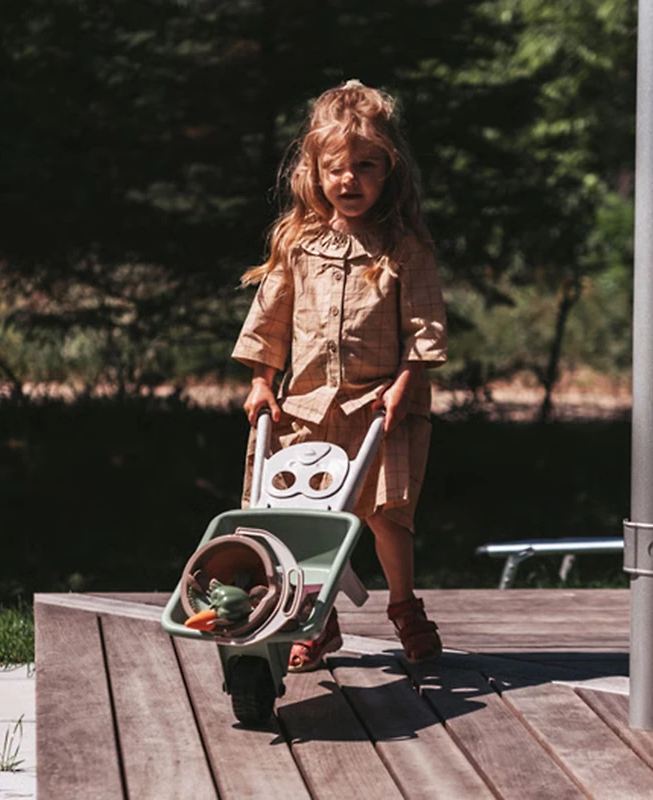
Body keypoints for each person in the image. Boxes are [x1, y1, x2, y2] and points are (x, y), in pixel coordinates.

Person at [232, 79, 447, 672]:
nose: (350, 180)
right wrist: (259, 381)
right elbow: (269, 322)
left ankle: (405, 609)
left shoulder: (404, 248)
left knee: (384, 514)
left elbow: (423, 324)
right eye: (337, 169)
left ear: (389, 171)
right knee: (303, 516)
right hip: (307, 411)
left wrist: (407, 380)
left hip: (381, 408)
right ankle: (318, 621)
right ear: (316, 173)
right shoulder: (299, 243)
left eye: (366, 166)